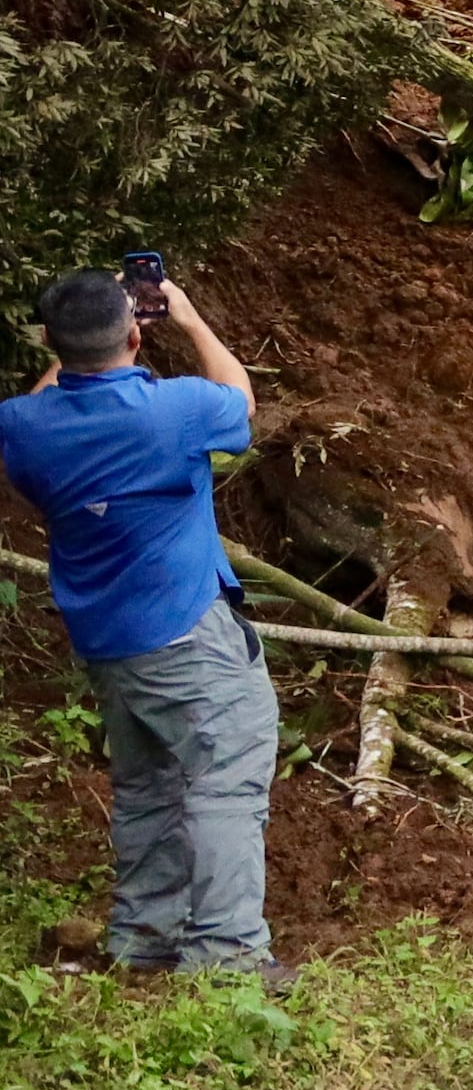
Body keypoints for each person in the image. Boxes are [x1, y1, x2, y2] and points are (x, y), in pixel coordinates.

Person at [2, 265, 283, 985]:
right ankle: (226, 958)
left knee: (149, 784)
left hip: (106, 637)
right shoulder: (176, 409)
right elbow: (241, 404)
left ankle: (144, 936)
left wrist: (72, 349)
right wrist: (186, 318)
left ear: (50, 343)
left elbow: (44, 398)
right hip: (188, 629)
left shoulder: (21, 427)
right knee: (225, 779)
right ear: (135, 332)